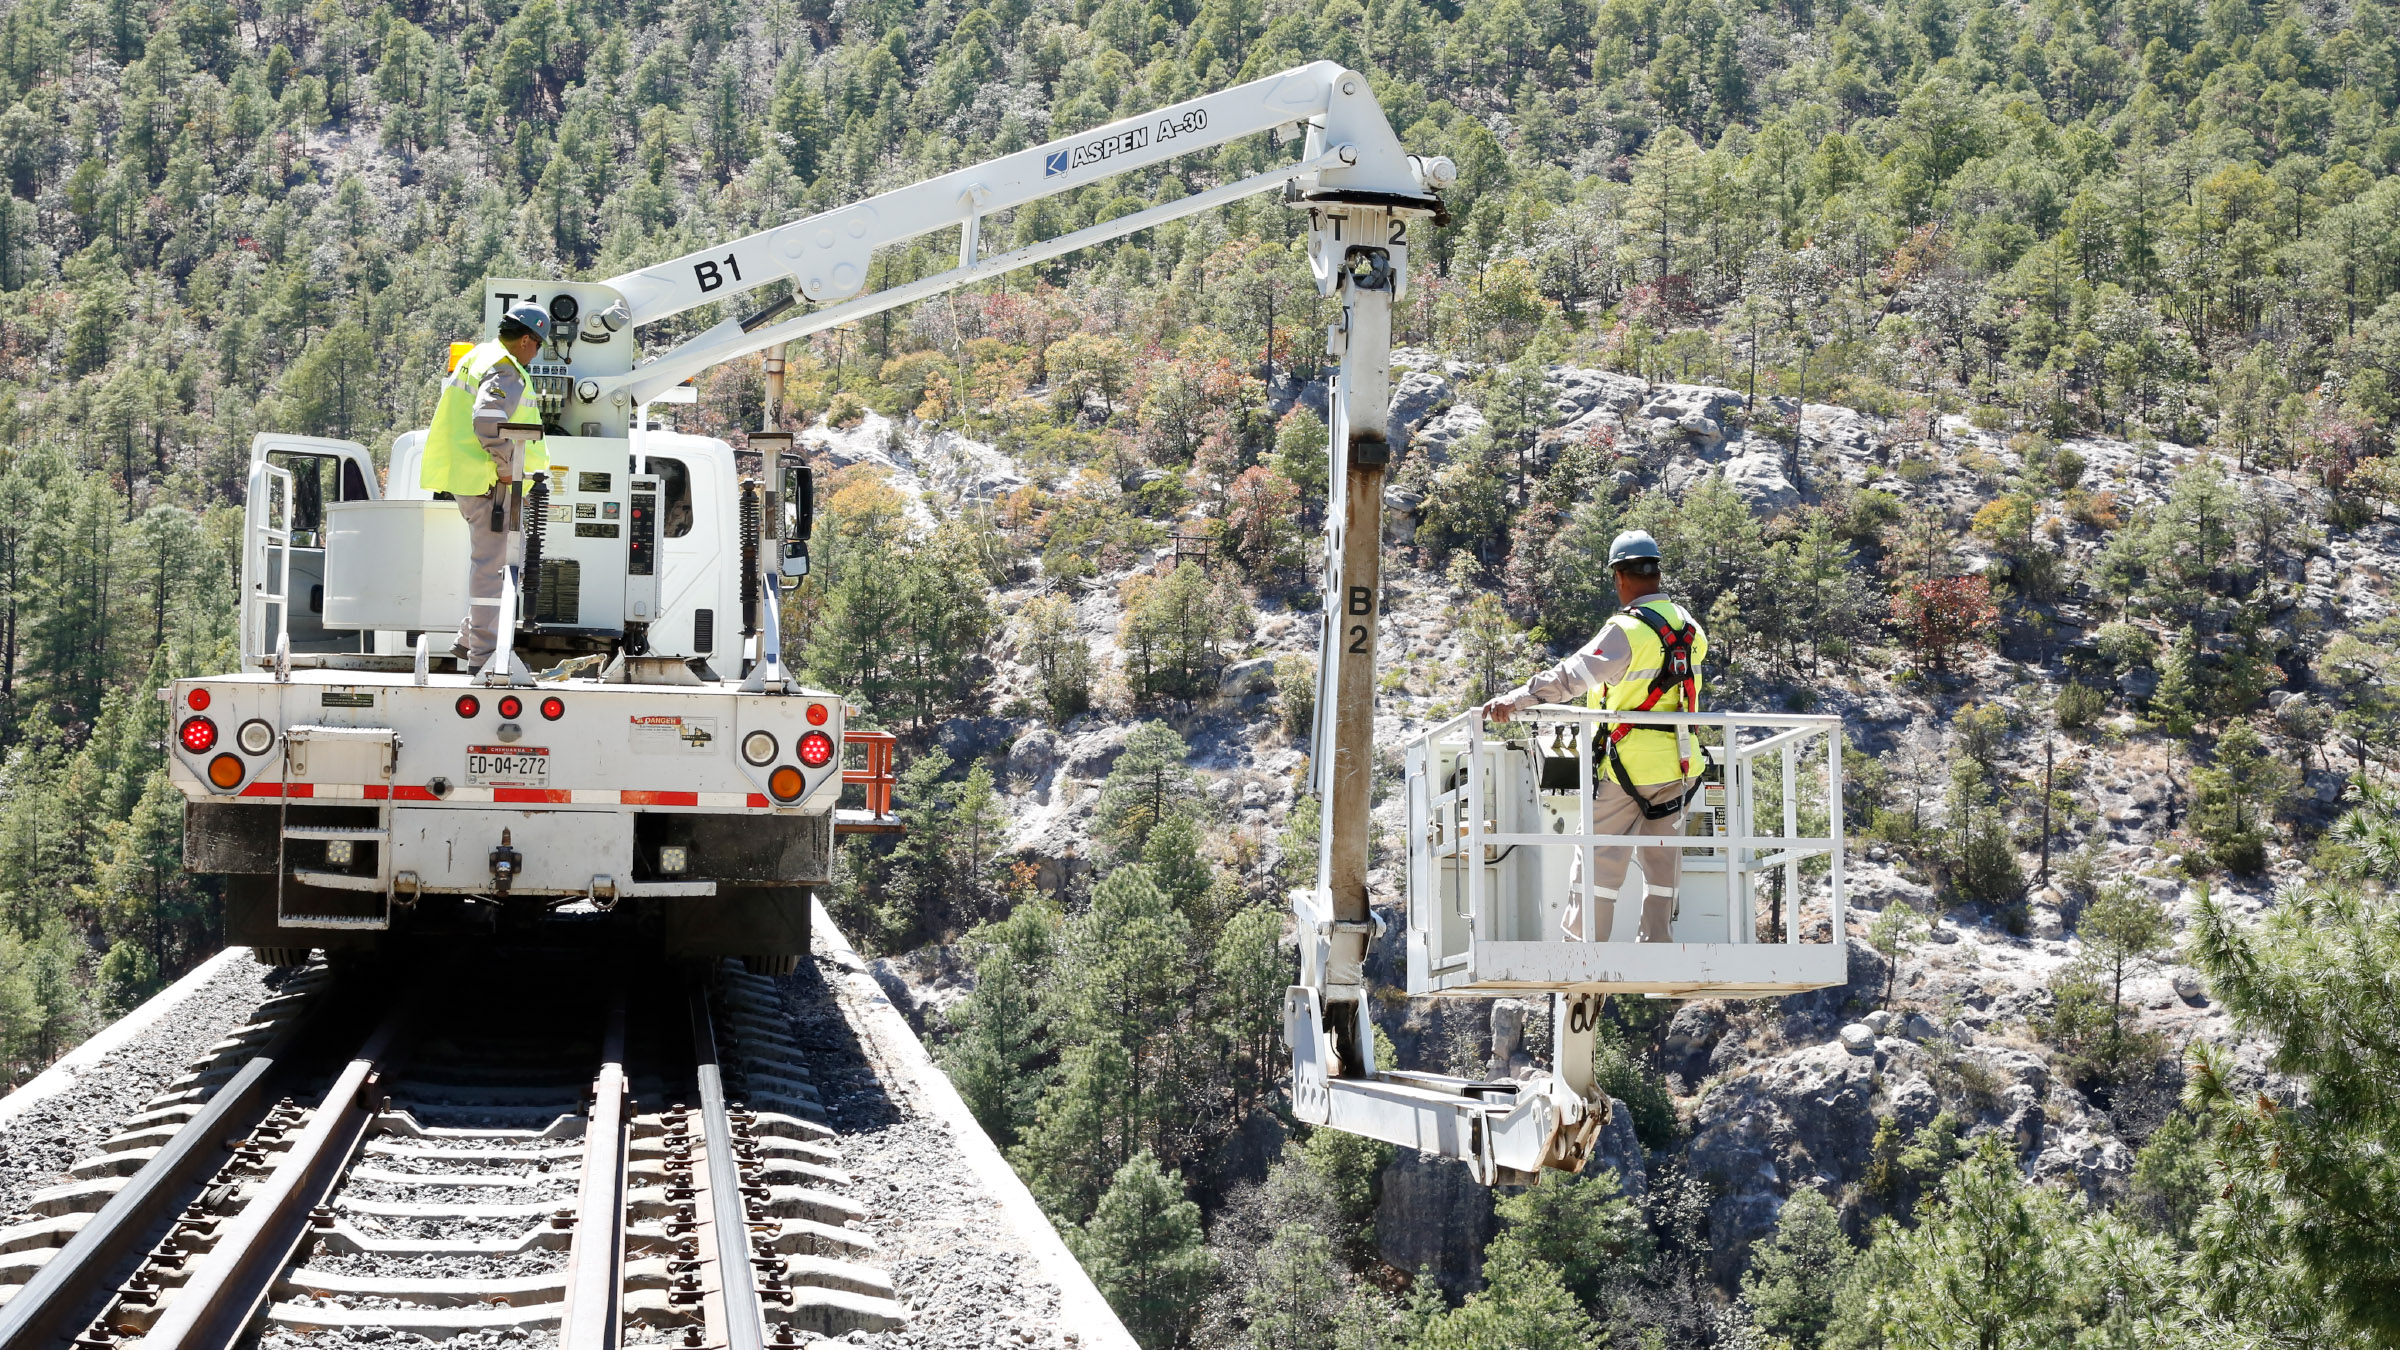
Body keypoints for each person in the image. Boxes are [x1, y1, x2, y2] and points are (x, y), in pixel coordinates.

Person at [1482, 530, 1709, 942]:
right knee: (1662, 864)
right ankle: (1656, 948)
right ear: (1656, 572)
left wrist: (1513, 702)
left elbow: (1570, 678)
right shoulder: (1691, 627)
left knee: (1598, 860)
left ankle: (1584, 951)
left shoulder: (1626, 630)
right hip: (1681, 765)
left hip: (1629, 767)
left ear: (1619, 577)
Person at [421, 304, 553, 671]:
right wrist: (509, 466)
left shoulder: (481, 354)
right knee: (495, 571)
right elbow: (488, 419)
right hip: (491, 484)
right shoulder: (505, 367)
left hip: (475, 480)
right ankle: (484, 658)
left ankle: (469, 639)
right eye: (538, 344)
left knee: (495, 567)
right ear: (526, 339)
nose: (536, 353)